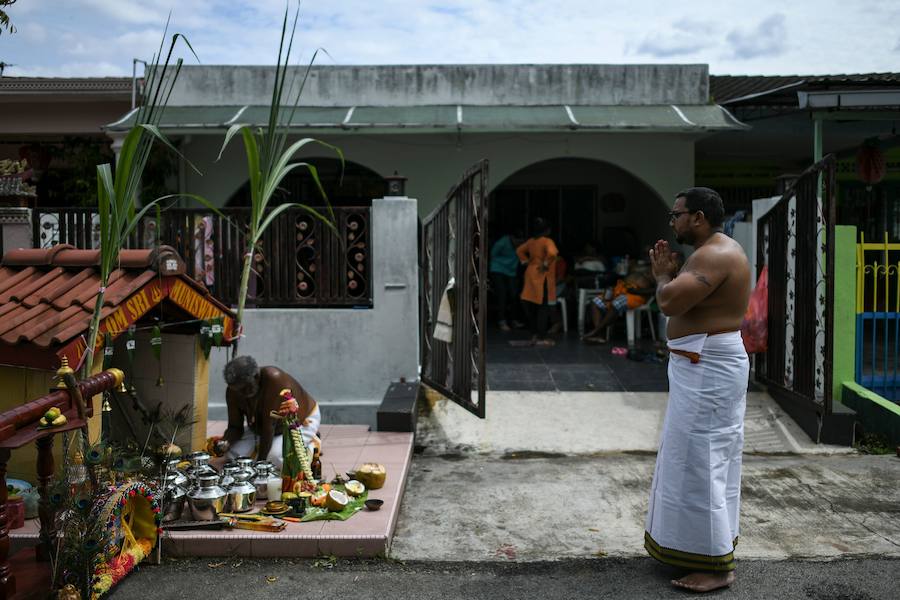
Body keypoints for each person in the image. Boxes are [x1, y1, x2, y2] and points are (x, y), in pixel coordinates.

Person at [644, 187, 751, 593]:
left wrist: (661, 276)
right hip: (702, 366)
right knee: (692, 458)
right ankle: (693, 548)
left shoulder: (714, 254)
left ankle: (717, 566)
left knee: (702, 460)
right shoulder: (709, 251)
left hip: (710, 369)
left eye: (677, 214)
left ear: (699, 217)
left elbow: (670, 302)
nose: (672, 221)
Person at [212, 356, 321, 470]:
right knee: (233, 454)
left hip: (297, 423)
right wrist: (224, 442)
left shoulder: (274, 379)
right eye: (237, 390)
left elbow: (269, 426)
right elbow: (235, 427)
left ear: (256, 377)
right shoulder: (233, 391)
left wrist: (260, 465)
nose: (241, 394)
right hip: (263, 430)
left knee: (276, 458)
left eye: (245, 389)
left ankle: (313, 442)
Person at [515, 218, 559, 347]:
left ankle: (534, 333)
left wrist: (525, 261)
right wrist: (545, 264)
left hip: (530, 273)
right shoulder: (547, 241)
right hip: (541, 275)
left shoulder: (531, 242)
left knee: (532, 304)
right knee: (542, 306)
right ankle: (541, 335)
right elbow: (552, 253)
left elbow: (519, 251)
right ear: (548, 230)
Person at [581, 268, 655, 343]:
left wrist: (636, 291)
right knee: (595, 302)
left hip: (635, 297)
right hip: (620, 292)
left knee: (616, 303)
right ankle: (600, 335)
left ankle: (595, 332)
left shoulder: (656, 276)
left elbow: (654, 290)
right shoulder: (640, 270)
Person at [490, 230, 525, 332]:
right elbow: (492, 254)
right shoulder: (503, 242)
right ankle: (502, 321)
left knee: (514, 295)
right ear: (511, 237)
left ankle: (514, 320)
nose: (519, 243)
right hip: (498, 269)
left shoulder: (522, 245)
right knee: (502, 294)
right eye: (517, 240)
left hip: (511, 271)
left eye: (521, 241)